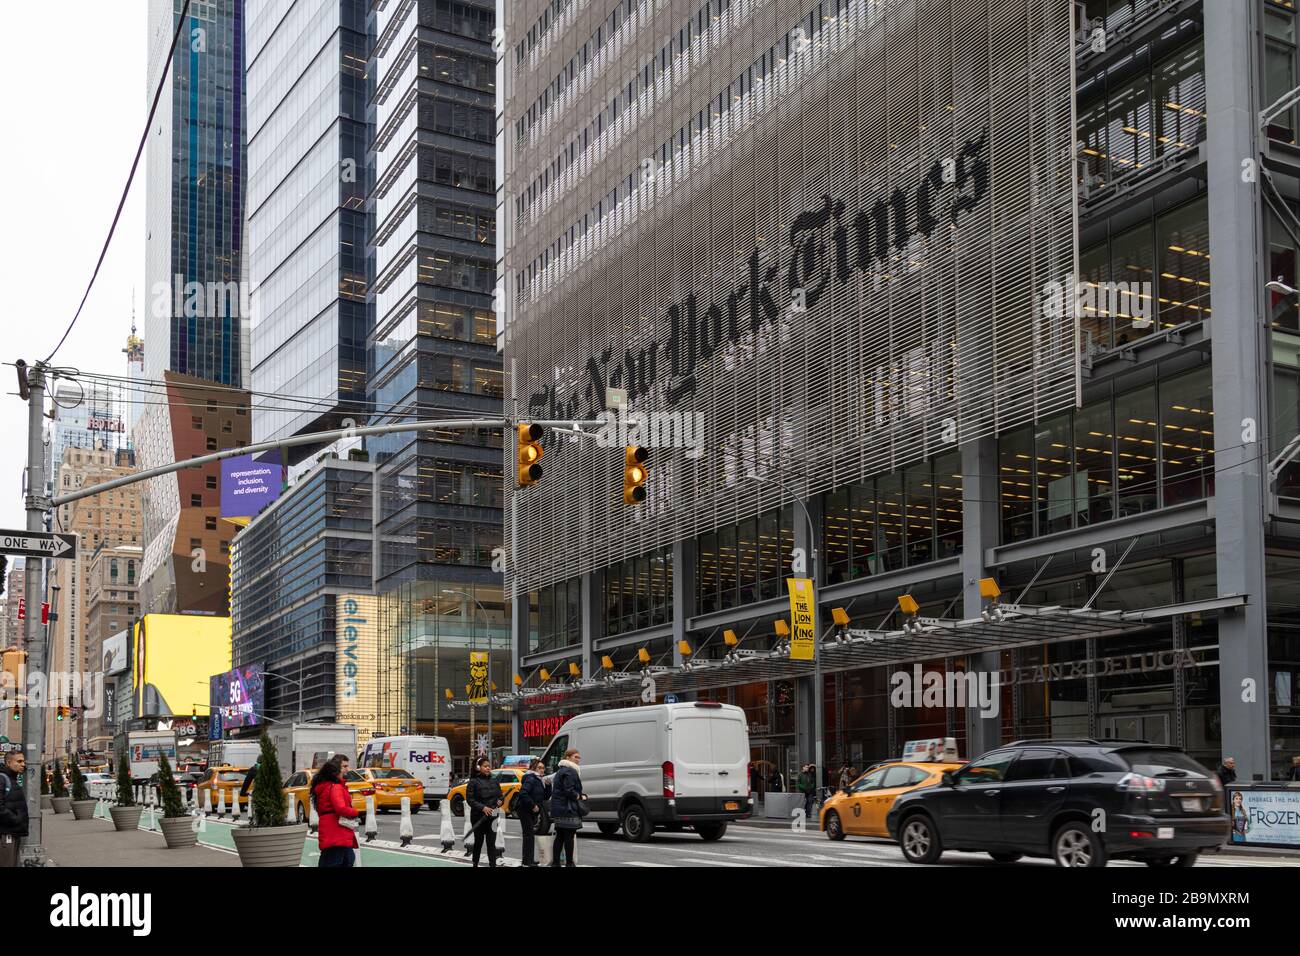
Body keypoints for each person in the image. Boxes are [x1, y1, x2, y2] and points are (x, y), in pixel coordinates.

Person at [312, 757, 359, 868]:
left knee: (345, 858)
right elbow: (340, 808)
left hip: (330, 832)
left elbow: (321, 810)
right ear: (335, 772)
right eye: (344, 767)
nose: (346, 770)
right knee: (342, 860)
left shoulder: (323, 787)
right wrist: (355, 812)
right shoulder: (335, 787)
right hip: (337, 832)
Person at [549, 748, 586, 867]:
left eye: (579, 757)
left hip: (560, 808)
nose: (578, 760)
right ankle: (569, 863)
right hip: (567, 809)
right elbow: (568, 790)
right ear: (568, 757)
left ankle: (556, 863)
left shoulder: (561, 770)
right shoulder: (570, 771)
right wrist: (579, 796)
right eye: (576, 757)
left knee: (560, 835)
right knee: (569, 836)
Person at [466, 756, 504, 868]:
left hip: (493, 816)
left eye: (489, 766)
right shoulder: (473, 782)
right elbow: (470, 799)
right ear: (479, 768)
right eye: (485, 766)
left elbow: (501, 796)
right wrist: (483, 808)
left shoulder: (495, 780)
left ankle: (493, 864)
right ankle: (475, 863)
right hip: (478, 816)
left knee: (491, 843)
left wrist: (500, 801)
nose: (488, 768)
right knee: (478, 842)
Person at [516, 758, 550, 867]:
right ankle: (527, 861)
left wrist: (549, 786)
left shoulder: (539, 780)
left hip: (531, 810)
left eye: (543, 768)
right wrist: (533, 805)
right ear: (533, 768)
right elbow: (523, 793)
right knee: (528, 835)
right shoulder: (531, 778)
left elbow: (545, 797)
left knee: (530, 834)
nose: (542, 770)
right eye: (539, 768)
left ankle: (528, 859)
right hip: (525, 809)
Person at [0, 751, 28, 868]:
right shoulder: (2, 779)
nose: (23, 764)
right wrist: (15, 819)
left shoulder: (12, 779)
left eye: (23, 761)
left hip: (13, 831)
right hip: (6, 833)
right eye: (19, 761)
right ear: (8, 762)